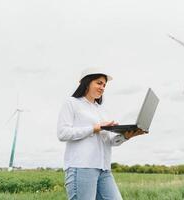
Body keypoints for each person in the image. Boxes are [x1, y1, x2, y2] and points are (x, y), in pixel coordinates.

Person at [57, 67, 144, 200]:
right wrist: (95, 128)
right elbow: (62, 133)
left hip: (104, 169)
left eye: (104, 85)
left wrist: (126, 136)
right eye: (99, 83)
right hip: (82, 167)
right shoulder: (72, 103)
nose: (102, 87)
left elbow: (109, 141)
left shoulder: (102, 111)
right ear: (86, 82)